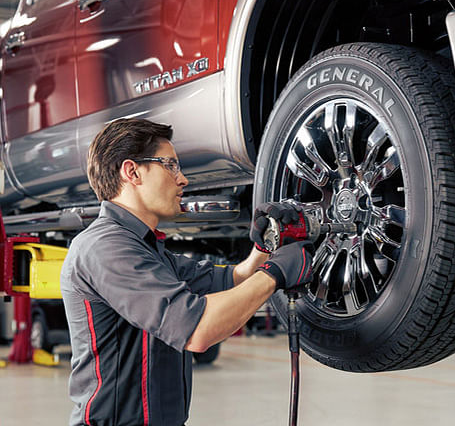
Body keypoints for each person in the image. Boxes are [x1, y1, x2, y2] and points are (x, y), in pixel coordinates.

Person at [60, 118, 314, 426]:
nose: (183, 180)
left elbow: (233, 280)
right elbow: (197, 331)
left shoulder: (148, 250)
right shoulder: (105, 248)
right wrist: (274, 273)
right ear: (132, 172)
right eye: (170, 166)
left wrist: (265, 246)